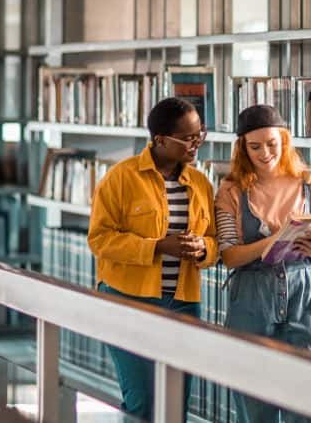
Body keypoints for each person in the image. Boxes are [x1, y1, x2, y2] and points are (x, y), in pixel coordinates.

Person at [87, 97, 219, 420]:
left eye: (199, 134)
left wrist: (202, 248)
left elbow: (215, 243)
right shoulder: (121, 178)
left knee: (176, 403)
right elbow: (100, 240)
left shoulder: (200, 184)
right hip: (127, 300)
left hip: (184, 303)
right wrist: (158, 247)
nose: (195, 143)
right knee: (142, 401)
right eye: (188, 138)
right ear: (160, 140)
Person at [215, 105, 311, 423]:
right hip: (252, 298)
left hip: (306, 294)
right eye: (254, 147)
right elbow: (229, 255)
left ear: (284, 140)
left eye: (272, 143)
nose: (265, 152)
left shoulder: (310, 183)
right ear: (243, 148)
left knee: (309, 406)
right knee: (257, 408)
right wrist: (268, 245)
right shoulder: (231, 191)